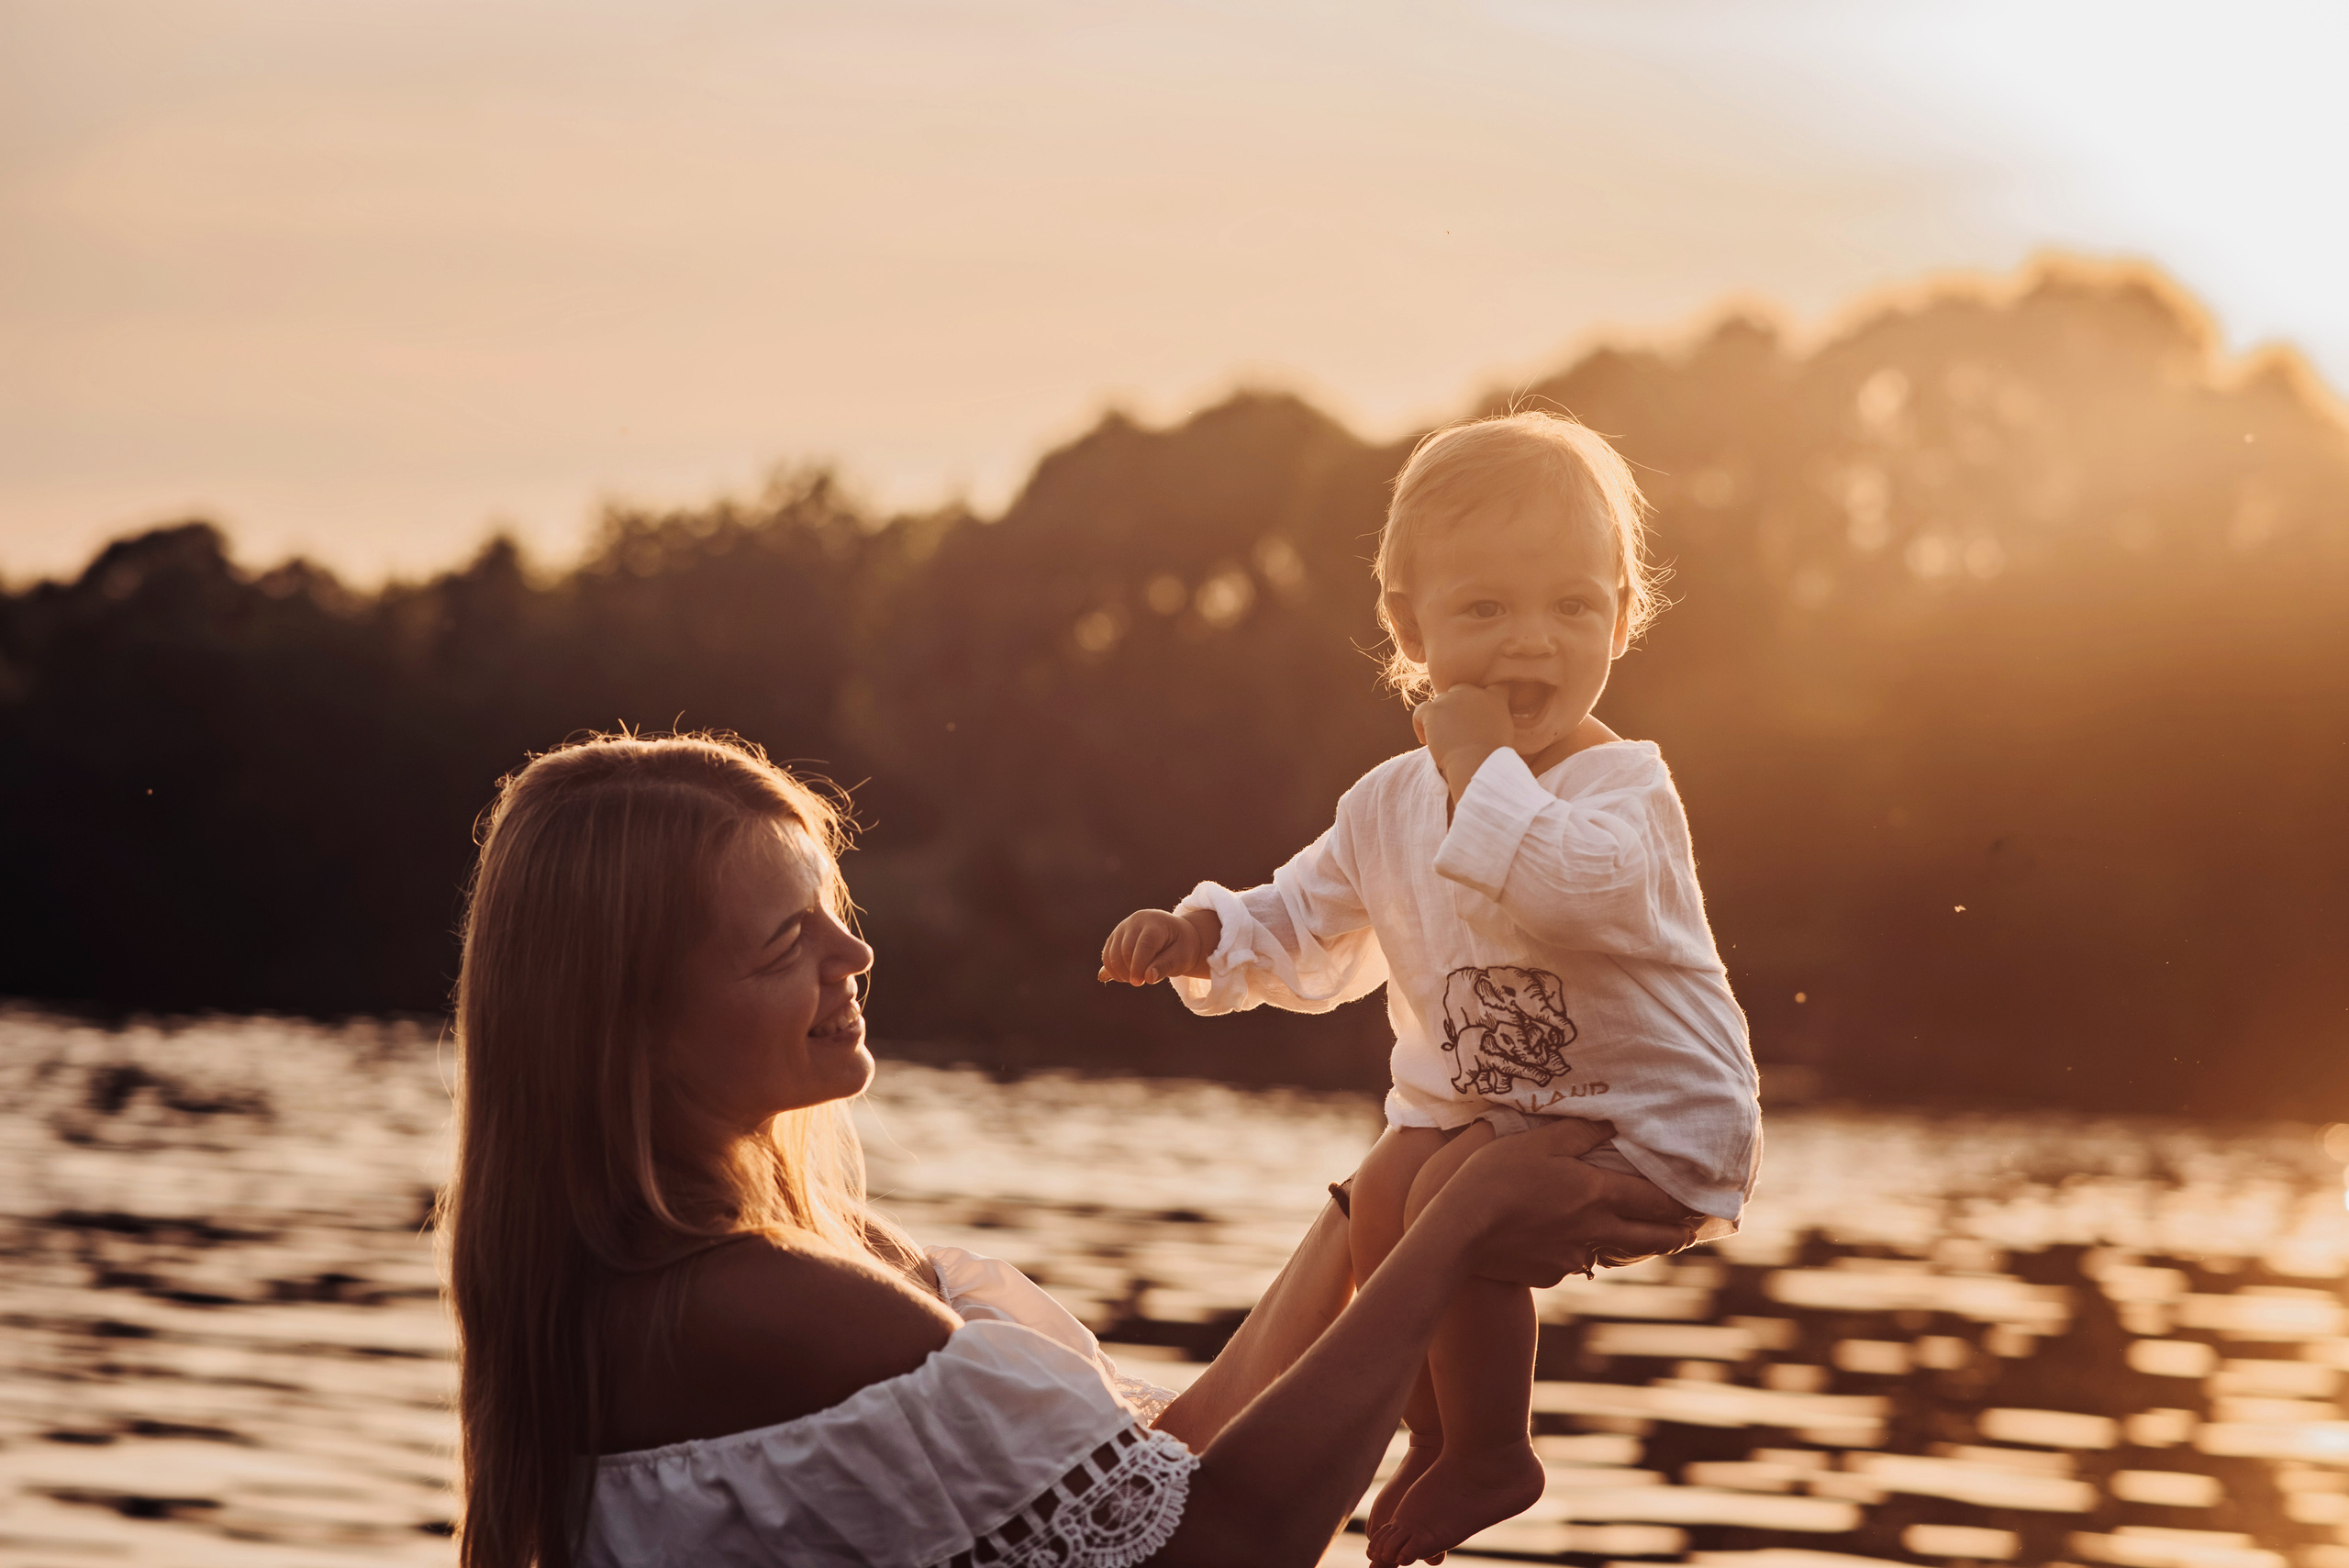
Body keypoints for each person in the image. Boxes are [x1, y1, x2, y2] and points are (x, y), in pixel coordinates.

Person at [441, 730, 1698, 1568]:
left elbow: (1158, 1467)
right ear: (630, 1024)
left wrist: (1375, 1198)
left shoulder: (782, 1261)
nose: (856, 957)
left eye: (838, 916)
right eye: (785, 944)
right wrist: (1454, 1230)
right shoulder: (751, 1307)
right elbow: (1224, 1544)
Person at [1098, 412, 1761, 1565]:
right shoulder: (1389, 802)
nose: (1532, 645)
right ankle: (1437, 1431)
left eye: (1572, 607)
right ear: (1410, 627)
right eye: (1484, 610)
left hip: (1653, 1118)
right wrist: (1207, 931)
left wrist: (1476, 768)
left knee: (1462, 1177)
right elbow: (1306, 911)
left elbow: (1562, 891)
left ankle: (1497, 1444)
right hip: (1500, 1111)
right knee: (1396, 1176)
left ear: (1621, 616)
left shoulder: (1625, 795)